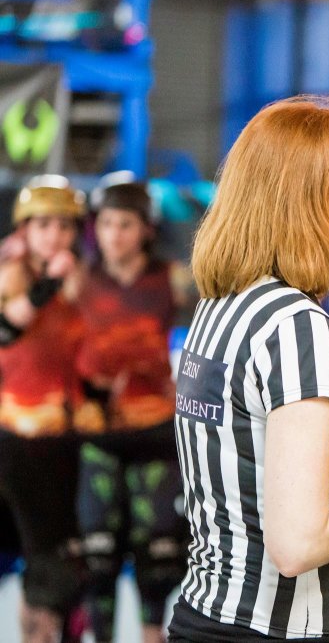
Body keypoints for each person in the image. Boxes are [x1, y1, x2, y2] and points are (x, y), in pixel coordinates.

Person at [167, 95, 329, 642]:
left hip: (211, 615)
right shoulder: (296, 325)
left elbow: (249, 456)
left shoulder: (224, 304)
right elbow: (296, 545)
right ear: (306, 194)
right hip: (276, 630)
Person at [75, 171, 189, 643]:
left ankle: (150, 634)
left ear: (145, 228)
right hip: (98, 434)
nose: (113, 235)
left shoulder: (174, 279)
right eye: (105, 224)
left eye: (125, 224)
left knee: (158, 561)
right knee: (97, 560)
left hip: (154, 433)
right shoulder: (79, 281)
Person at [0, 174, 89, 643]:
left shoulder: (75, 282)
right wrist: (49, 284)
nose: (55, 235)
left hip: (63, 434)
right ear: (25, 229)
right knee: (46, 564)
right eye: (44, 225)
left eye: (64, 226)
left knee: (56, 563)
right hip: (19, 437)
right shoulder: (14, 272)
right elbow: (6, 330)